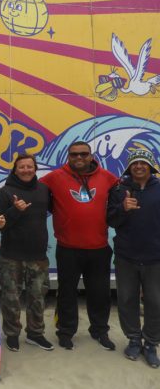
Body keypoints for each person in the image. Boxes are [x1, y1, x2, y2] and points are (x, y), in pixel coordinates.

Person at [40, 141, 117, 350]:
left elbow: (123, 200)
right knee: (66, 293)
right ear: (68, 156)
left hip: (99, 248)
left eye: (84, 154)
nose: (79, 158)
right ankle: (65, 331)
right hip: (68, 248)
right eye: (74, 154)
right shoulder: (54, 177)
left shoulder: (108, 178)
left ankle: (99, 330)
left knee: (100, 294)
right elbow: (29, 187)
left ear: (91, 156)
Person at [0, 154, 53, 352]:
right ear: (15, 170)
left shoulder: (44, 190)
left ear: (35, 168)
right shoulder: (5, 192)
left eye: (29, 166)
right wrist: (15, 211)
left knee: (38, 298)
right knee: (11, 299)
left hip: (38, 256)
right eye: (21, 167)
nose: (26, 170)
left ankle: (36, 334)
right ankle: (12, 334)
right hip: (12, 256)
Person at [107, 148, 160, 368]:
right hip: (126, 256)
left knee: (156, 302)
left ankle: (151, 343)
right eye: (135, 163)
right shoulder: (119, 189)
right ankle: (134, 339)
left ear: (151, 166)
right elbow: (110, 219)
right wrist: (123, 208)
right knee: (126, 299)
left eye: (143, 163)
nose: (139, 166)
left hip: (155, 257)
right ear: (129, 167)